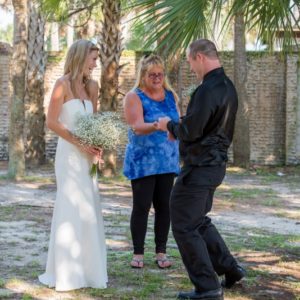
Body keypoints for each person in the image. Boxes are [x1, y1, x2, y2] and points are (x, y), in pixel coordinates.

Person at [157, 39, 246, 300]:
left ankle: (208, 287)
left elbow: (191, 130)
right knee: (197, 220)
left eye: (190, 62)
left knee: (183, 223)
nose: (191, 68)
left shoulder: (207, 89)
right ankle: (230, 268)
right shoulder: (227, 87)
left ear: (199, 57)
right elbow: (206, 124)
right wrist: (181, 126)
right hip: (214, 165)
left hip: (200, 166)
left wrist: (169, 126)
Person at [39, 39, 107, 291]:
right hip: (69, 154)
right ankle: (67, 272)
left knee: (89, 207)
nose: (96, 63)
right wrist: (79, 142)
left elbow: (94, 121)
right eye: (93, 58)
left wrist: (97, 144)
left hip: (88, 155)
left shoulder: (92, 87)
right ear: (80, 57)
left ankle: (89, 271)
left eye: (97, 58)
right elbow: (52, 122)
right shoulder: (62, 85)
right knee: (70, 207)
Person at [123, 54, 180, 269]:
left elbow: (179, 121)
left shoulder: (170, 95)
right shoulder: (134, 96)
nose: (157, 78)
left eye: (160, 74)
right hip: (143, 161)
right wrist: (160, 125)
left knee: (164, 207)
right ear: (143, 75)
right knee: (142, 206)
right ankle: (138, 253)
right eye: (152, 74)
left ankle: (161, 252)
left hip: (167, 160)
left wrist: (177, 129)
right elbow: (136, 126)